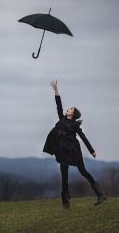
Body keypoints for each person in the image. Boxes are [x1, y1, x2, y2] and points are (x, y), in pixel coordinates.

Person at [43, 80, 106, 209]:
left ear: (74, 114)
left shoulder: (75, 124)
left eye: (71, 109)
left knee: (83, 171)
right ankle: (66, 204)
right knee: (64, 176)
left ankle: (100, 194)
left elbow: (83, 137)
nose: (68, 109)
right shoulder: (62, 119)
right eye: (69, 108)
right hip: (62, 152)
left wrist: (91, 151)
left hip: (73, 151)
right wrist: (56, 91)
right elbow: (59, 106)